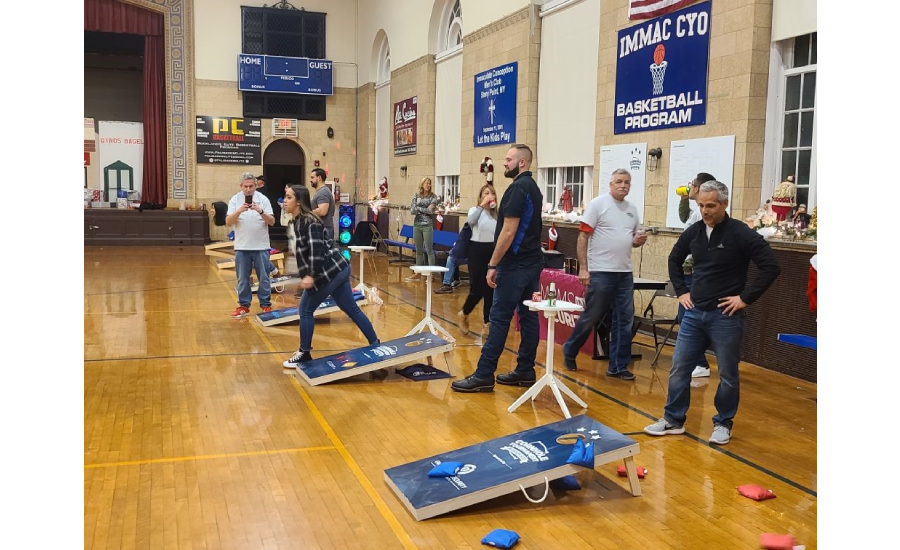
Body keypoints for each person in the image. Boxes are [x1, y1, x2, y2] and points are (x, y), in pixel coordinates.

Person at [644, 181, 780, 445]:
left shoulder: (741, 233)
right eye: (701, 206)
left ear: (724, 204)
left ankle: (723, 423)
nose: (705, 211)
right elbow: (674, 259)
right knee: (679, 368)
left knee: (728, 373)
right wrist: (682, 291)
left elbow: (771, 267)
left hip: (725, 316)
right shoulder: (694, 232)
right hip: (694, 313)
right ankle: (673, 420)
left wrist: (744, 299)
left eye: (710, 206)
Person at [451, 145, 543, 392]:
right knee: (528, 317)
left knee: (499, 317)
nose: (504, 163)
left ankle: (483, 374)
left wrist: (493, 263)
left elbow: (509, 231)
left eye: (509, 159)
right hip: (533, 262)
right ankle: (525, 369)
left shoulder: (517, 189)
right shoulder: (534, 189)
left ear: (522, 163)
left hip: (515, 265)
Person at [561, 169, 648, 378]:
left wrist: (637, 241)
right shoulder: (598, 205)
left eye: (627, 182)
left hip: (624, 273)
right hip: (600, 271)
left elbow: (632, 240)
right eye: (618, 181)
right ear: (610, 184)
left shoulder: (632, 210)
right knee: (593, 315)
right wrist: (584, 267)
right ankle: (570, 349)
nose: (623, 185)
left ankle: (618, 366)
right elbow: (583, 237)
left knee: (625, 319)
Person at [281, 185, 380, 368]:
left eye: (288, 197)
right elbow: (301, 252)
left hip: (331, 271)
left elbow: (317, 251)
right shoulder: (296, 222)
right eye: (285, 197)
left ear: (299, 202)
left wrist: (310, 275)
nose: (284, 201)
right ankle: (375, 343)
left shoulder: (310, 222)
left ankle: (304, 353)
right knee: (351, 309)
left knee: (305, 310)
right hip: (338, 269)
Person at [678, 172, 717, 378]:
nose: (690, 187)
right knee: (683, 317)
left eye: (692, 185)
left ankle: (700, 363)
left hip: (695, 275)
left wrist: (690, 264)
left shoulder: (707, 218)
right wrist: (683, 200)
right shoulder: (695, 213)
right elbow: (684, 219)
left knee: (689, 318)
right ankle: (694, 361)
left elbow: (701, 247)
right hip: (686, 273)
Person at [226, 172, 276, 319]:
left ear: (255, 186)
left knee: (264, 277)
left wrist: (260, 211)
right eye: (245, 186)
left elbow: (272, 222)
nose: (248, 189)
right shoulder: (235, 200)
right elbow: (228, 222)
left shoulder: (263, 199)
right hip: (242, 246)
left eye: (251, 186)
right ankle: (243, 305)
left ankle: (265, 304)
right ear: (241, 186)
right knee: (242, 278)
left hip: (261, 246)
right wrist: (239, 211)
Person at [455, 184, 499, 336]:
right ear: (481, 197)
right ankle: (464, 313)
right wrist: (482, 205)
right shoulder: (475, 210)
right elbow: (470, 222)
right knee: (477, 288)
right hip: (476, 251)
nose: (489, 195)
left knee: (490, 289)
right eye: (486, 193)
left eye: (492, 193)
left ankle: (487, 323)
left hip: (491, 251)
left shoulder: (496, 215)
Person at [406, 177, 441, 282]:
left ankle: (431, 275)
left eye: (429, 183)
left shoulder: (433, 197)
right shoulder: (416, 195)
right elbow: (412, 210)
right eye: (426, 183)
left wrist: (419, 208)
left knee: (429, 250)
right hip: (417, 225)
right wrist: (424, 209)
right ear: (422, 184)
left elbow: (431, 212)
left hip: (427, 226)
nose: (428, 185)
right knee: (418, 250)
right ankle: (418, 273)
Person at [309, 168, 336, 240]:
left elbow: (322, 211)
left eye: (312, 177)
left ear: (319, 178)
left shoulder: (323, 192)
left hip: (324, 231)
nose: (310, 180)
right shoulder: (321, 192)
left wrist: (307, 212)